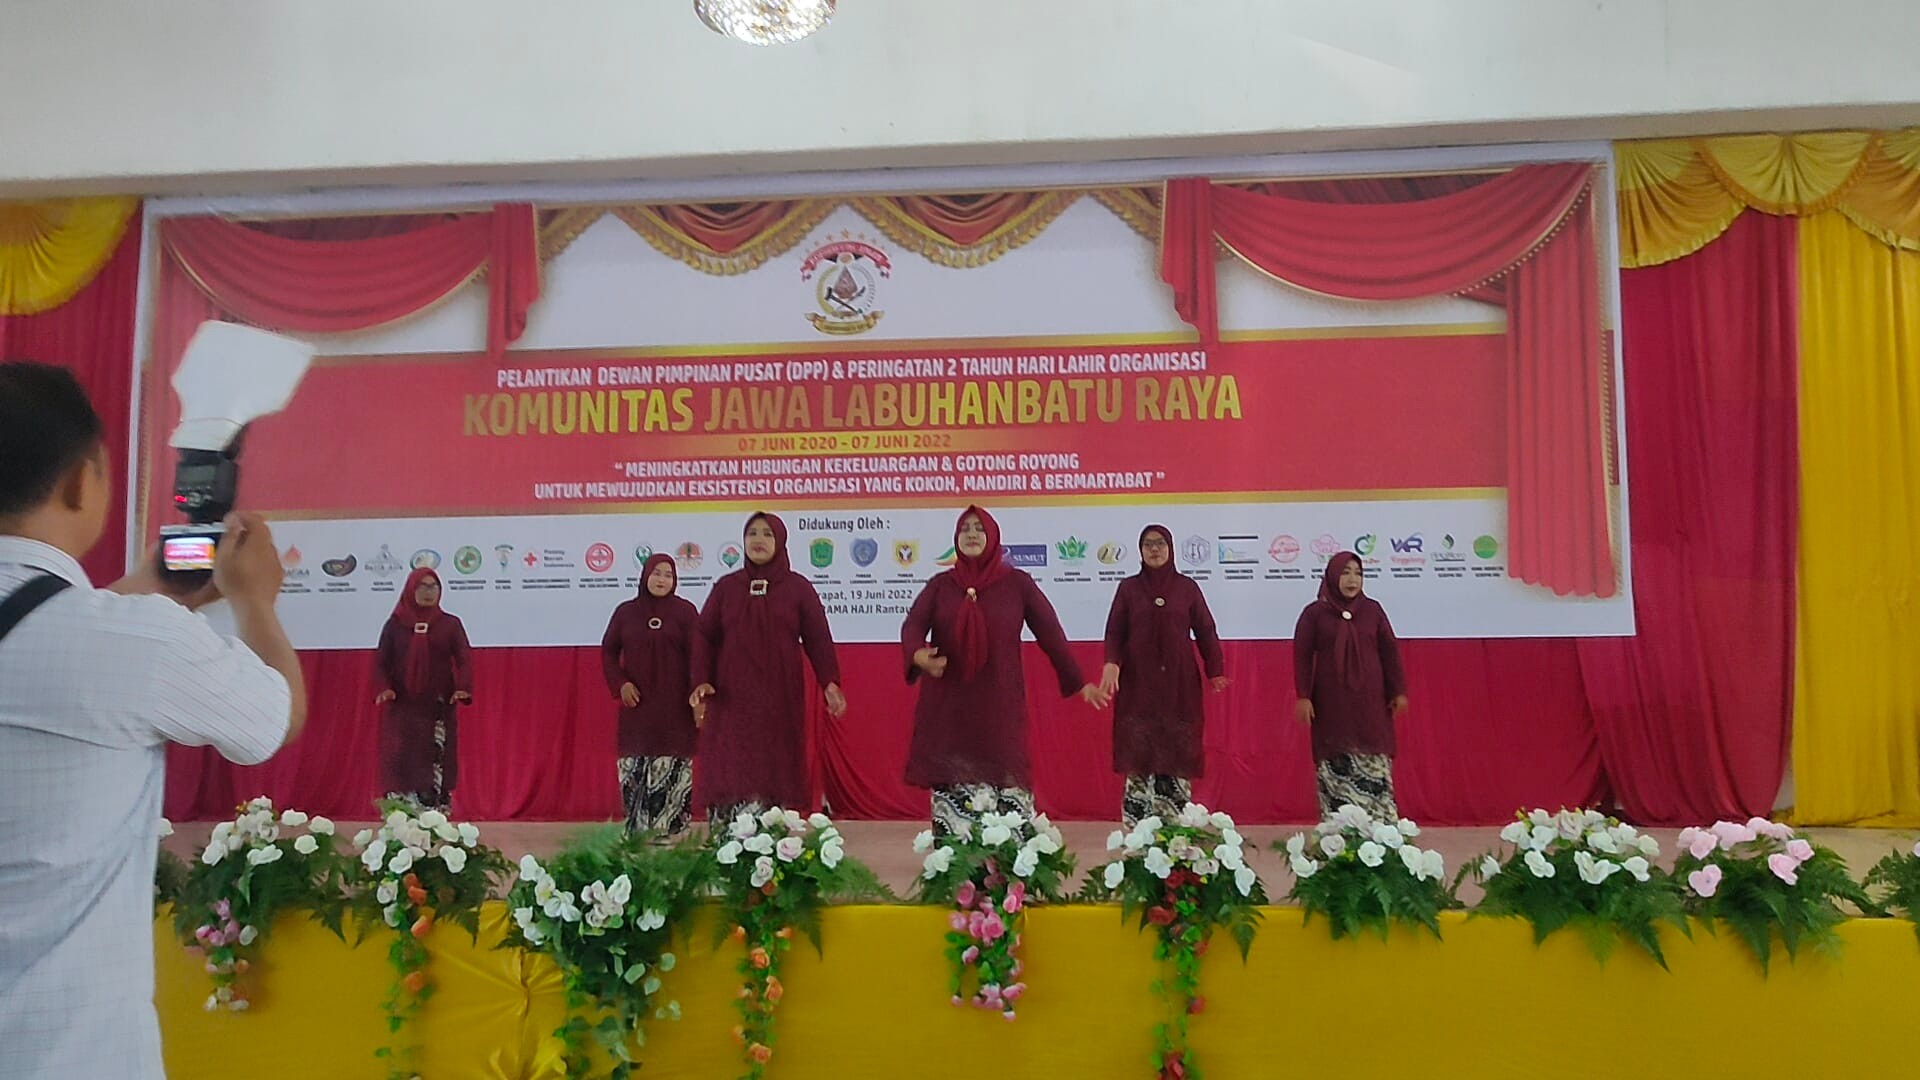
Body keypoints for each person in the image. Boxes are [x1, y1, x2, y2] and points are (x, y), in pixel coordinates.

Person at [0, 361, 305, 1080]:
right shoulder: (135, 642)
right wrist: (255, 601)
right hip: (74, 1056)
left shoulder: (123, 633)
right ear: (81, 483)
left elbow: (34, 640)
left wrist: (141, 594)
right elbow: (275, 717)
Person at [902, 505, 1110, 836]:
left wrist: (1078, 681)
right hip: (949, 713)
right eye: (965, 529)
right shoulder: (941, 586)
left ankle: (1008, 868)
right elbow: (913, 625)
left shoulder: (1016, 584)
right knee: (955, 828)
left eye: (979, 528)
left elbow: (1050, 633)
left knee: (1009, 824)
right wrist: (917, 655)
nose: (971, 534)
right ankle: (956, 868)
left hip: (999, 711)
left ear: (993, 536)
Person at [690, 512, 845, 822]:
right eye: (752, 534)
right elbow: (704, 636)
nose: (758, 540)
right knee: (731, 763)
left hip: (779, 696)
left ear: (781, 541)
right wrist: (701, 680)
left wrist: (829, 681)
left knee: (775, 764)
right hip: (731, 695)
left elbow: (818, 638)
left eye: (767, 534)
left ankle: (767, 838)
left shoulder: (797, 588)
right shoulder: (726, 587)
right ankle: (729, 836)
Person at [1098, 524, 1228, 828]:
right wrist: (1111, 662)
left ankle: (1175, 834)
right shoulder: (1128, 588)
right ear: (1140, 550)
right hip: (1138, 685)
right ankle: (1137, 833)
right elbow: (1115, 630)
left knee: (1176, 753)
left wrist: (1215, 669)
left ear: (1170, 548)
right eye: (1148, 544)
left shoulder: (1187, 588)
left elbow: (1206, 630)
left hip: (1179, 686)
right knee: (1138, 755)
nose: (1154, 549)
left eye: (1160, 543)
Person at [1293, 551, 1408, 820]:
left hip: (1372, 703)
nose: (1352, 579)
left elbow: (1390, 652)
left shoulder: (1373, 610)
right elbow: (1302, 656)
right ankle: (1339, 830)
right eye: (1345, 573)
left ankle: (1381, 830)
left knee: (1375, 756)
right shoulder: (1314, 614)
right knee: (1335, 758)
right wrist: (1303, 695)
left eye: (1357, 573)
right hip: (1331, 704)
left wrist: (1398, 690)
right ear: (1332, 576)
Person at [600, 553, 698, 835]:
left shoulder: (686, 612)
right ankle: (637, 836)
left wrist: (698, 697)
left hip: (676, 711)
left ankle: (671, 834)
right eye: (656, 573)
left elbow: (699, 656)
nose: (661, 580)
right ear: (645, 576)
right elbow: (608, 652)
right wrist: (620, 683)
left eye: (668, 575)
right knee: (634, 770)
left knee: (674, 769)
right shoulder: (626, 612)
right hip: (637, 710)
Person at [373, 567, 472, 811]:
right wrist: (384, 688)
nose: (428, 592)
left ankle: (434, 817)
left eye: (433, 586)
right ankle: (401, 817)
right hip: (403, 706)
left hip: (438, 706)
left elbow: (464, 659)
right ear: (410, 589)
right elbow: (381, 661)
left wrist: (463, 687)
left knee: (435, 757)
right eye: (422, 586)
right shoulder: (395, 625)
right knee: (403, 757)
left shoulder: (450, 624)